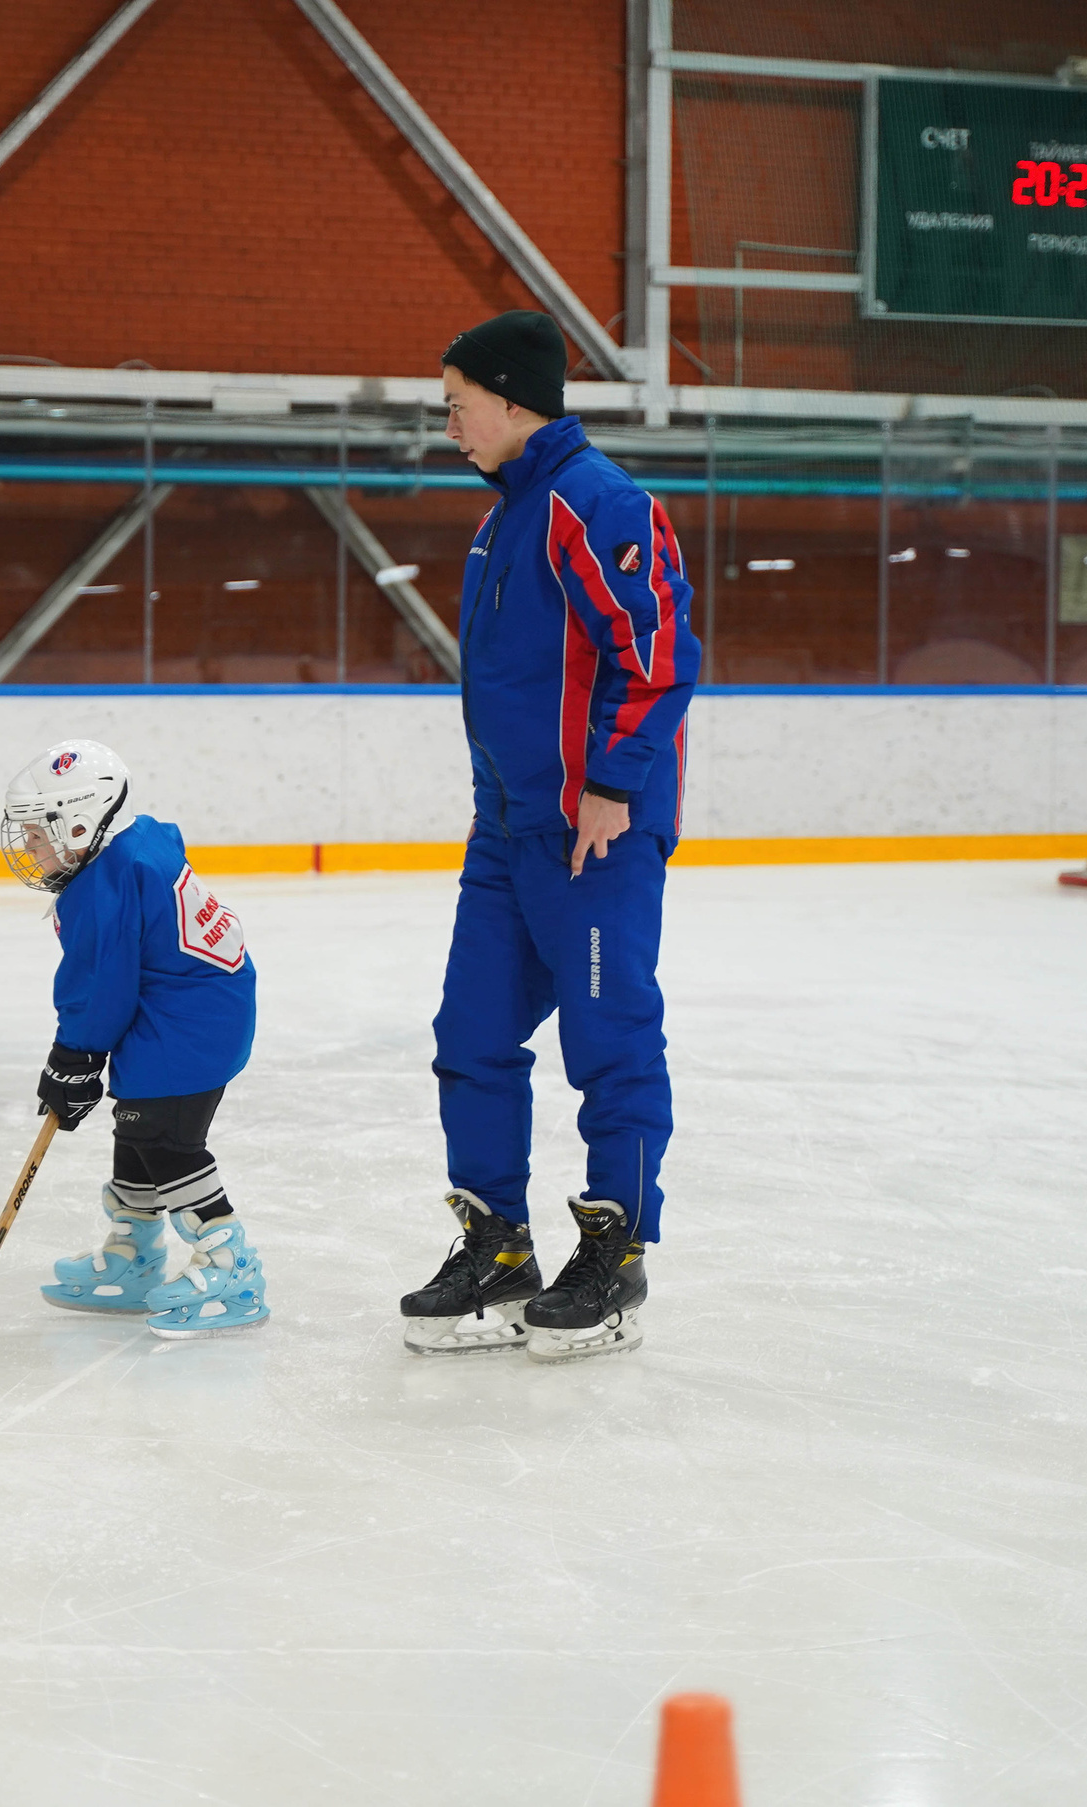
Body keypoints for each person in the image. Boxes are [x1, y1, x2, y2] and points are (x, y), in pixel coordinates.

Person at [399, 309, 700, 1364]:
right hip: (511, 829)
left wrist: (614, 784)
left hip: (592, 833)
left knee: (608, 1041)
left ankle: (614, 1251)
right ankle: (498, 1245)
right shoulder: (503, 520)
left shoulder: (596, 502)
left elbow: (656, 647)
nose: (449, 425)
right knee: (470, 1035)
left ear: (514, 396)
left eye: (458, 403)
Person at [2, 740, 267, 1339]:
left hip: (189, 1025)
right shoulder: (130, 848)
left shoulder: (103, 889)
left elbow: (100, 992)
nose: (28, 849)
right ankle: (135, 1258)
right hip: (197, 1009)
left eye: (38, 836)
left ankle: (232, 1268)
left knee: (162, 1137)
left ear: (77, 824)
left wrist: (73, 1059)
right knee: (137, 1129)